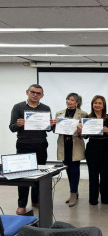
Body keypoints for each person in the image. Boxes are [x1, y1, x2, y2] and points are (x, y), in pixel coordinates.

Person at [9, 84, 56, 215]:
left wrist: (51, 125)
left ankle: (35, 200)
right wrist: (18, 124)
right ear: (27, 92)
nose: (35, 95)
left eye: (38, 93)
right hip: (24, 144)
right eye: (33, 92)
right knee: (23, 175)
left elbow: (47, 128)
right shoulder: (18, 107)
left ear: (42, 95)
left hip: (41, 144)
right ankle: (22, 204)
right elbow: (12, 127)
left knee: (39, 174)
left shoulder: (45, 108)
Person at [55, 93, 87, 207]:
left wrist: (80, 131)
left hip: (75, 145)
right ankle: (75, 190)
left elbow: (86, 133)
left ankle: (73, 194)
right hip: (64, 145)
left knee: (75, 170)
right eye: (68, 99)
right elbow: (55, 130)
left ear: (77, 102)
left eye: (72, 100)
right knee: (68, 169)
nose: (69, 101)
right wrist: (54, 125)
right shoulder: (59, 113)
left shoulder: (83, 114)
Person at [82, 95, 108, 205]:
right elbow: (84, 136)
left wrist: (107, 131)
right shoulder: (87, 117)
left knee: (105, 174)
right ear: (92, 105)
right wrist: (82, 132)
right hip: (92, 147)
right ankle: (93, 199)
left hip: (105, 146)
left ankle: (105, 198)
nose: (97, 105)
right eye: (95, 103)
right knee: (93, 174)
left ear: (103, 105)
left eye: (100, 103)